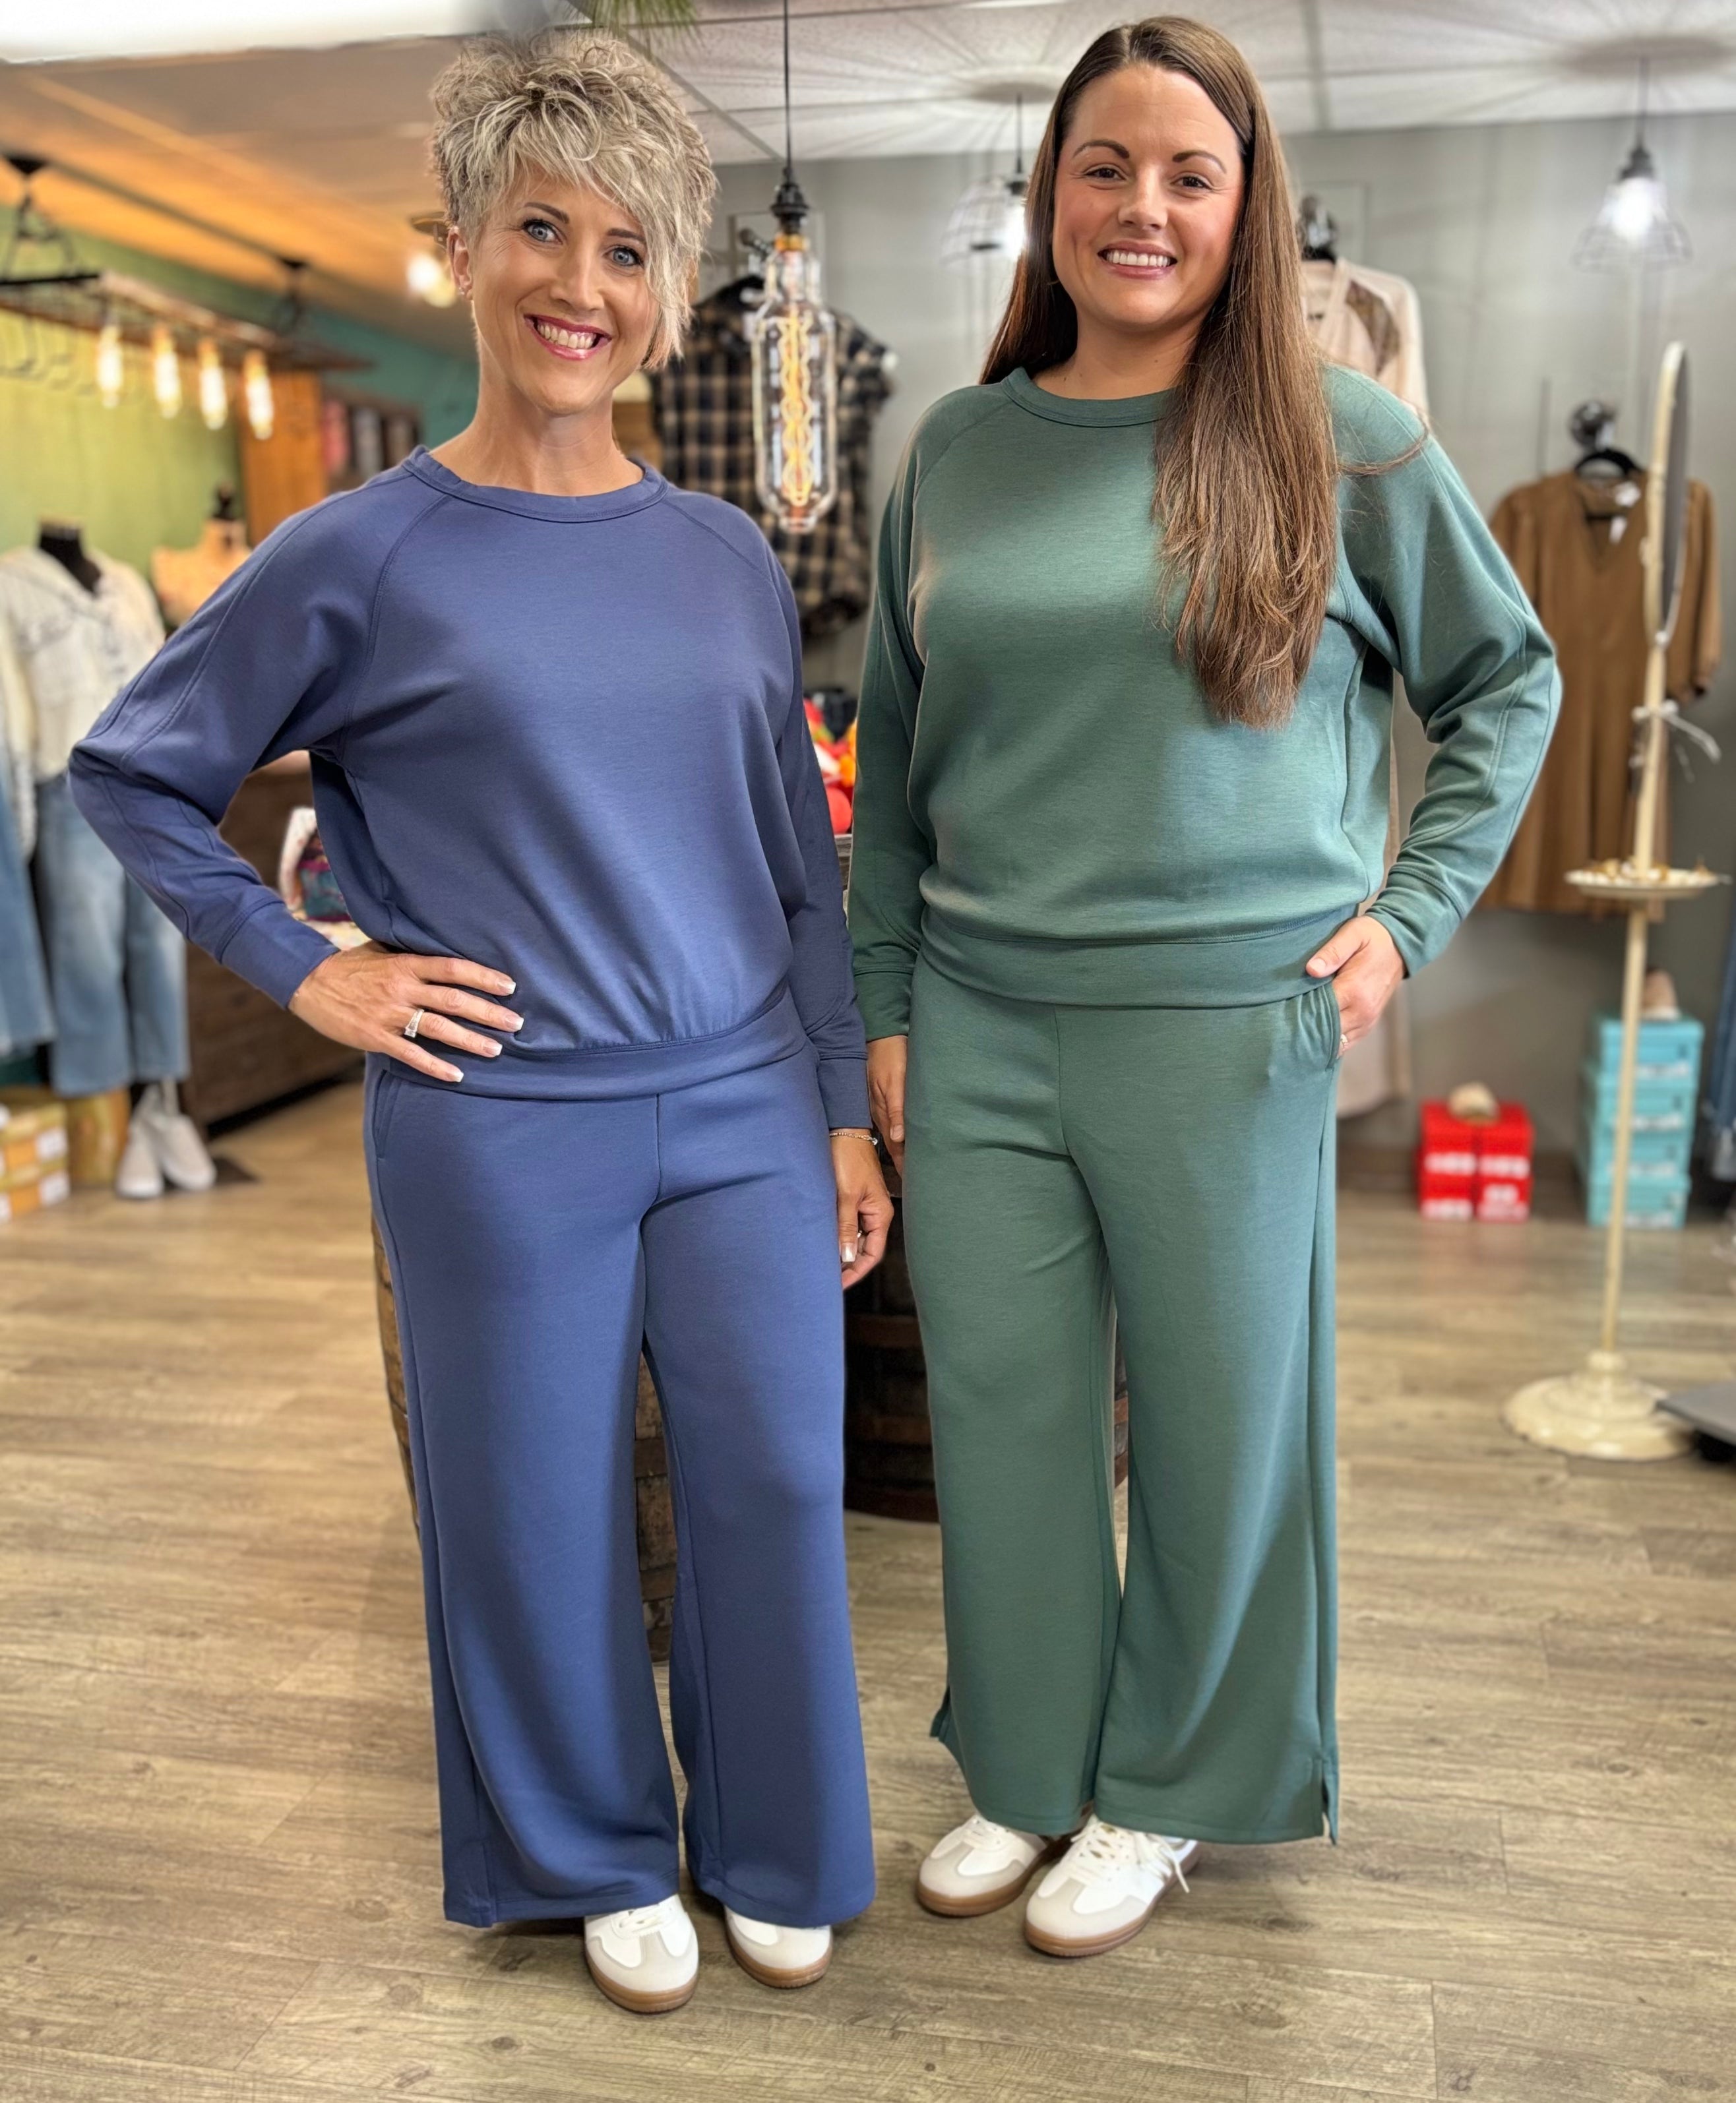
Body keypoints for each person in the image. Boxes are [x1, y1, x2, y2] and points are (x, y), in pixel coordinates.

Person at [70, 28, 889, 2015]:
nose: (579, 286)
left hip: (741, 1104)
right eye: (540, 230)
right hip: (500, 1114)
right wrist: (308, 967)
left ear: (667, 291)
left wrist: (841, 1107)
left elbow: (799, 861)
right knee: (530, 1504)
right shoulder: (360, 552)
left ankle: (778, 1843)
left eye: (626, 249)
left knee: (780, 1484)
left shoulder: (723, 554)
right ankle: (591, 1850)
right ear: (459, 247)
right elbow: (130, 773)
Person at [849, 15, 1558, 1960]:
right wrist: (886, 1008)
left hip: (1228, 1028)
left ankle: (1166, 1785)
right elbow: (896, 761)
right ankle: (1024, 1762)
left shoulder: (1342, 436)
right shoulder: (963, 449)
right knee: (1004, 1414)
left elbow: (1509, 682)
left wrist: (1406, 916)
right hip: (980, 1021)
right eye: (1104, 166)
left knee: (1223, 1426)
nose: (1141, 207)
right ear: (1048, 196)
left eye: (1190, 172)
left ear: (1250, 208)